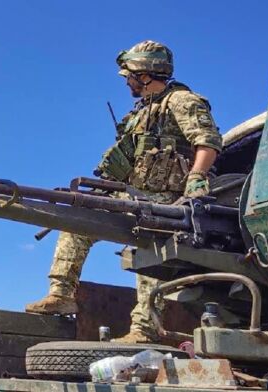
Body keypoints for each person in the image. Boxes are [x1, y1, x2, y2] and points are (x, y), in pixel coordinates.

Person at [25, 40, 222, 344]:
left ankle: (144, 329)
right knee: (78, 218)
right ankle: (62, 294)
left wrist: (196, 178)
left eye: (129, 75)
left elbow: (208, 141)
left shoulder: (182, 101)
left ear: (144, 74)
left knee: (151, 253)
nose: (126, 81)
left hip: (169, 202)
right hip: (135, 194)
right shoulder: (142, 112)